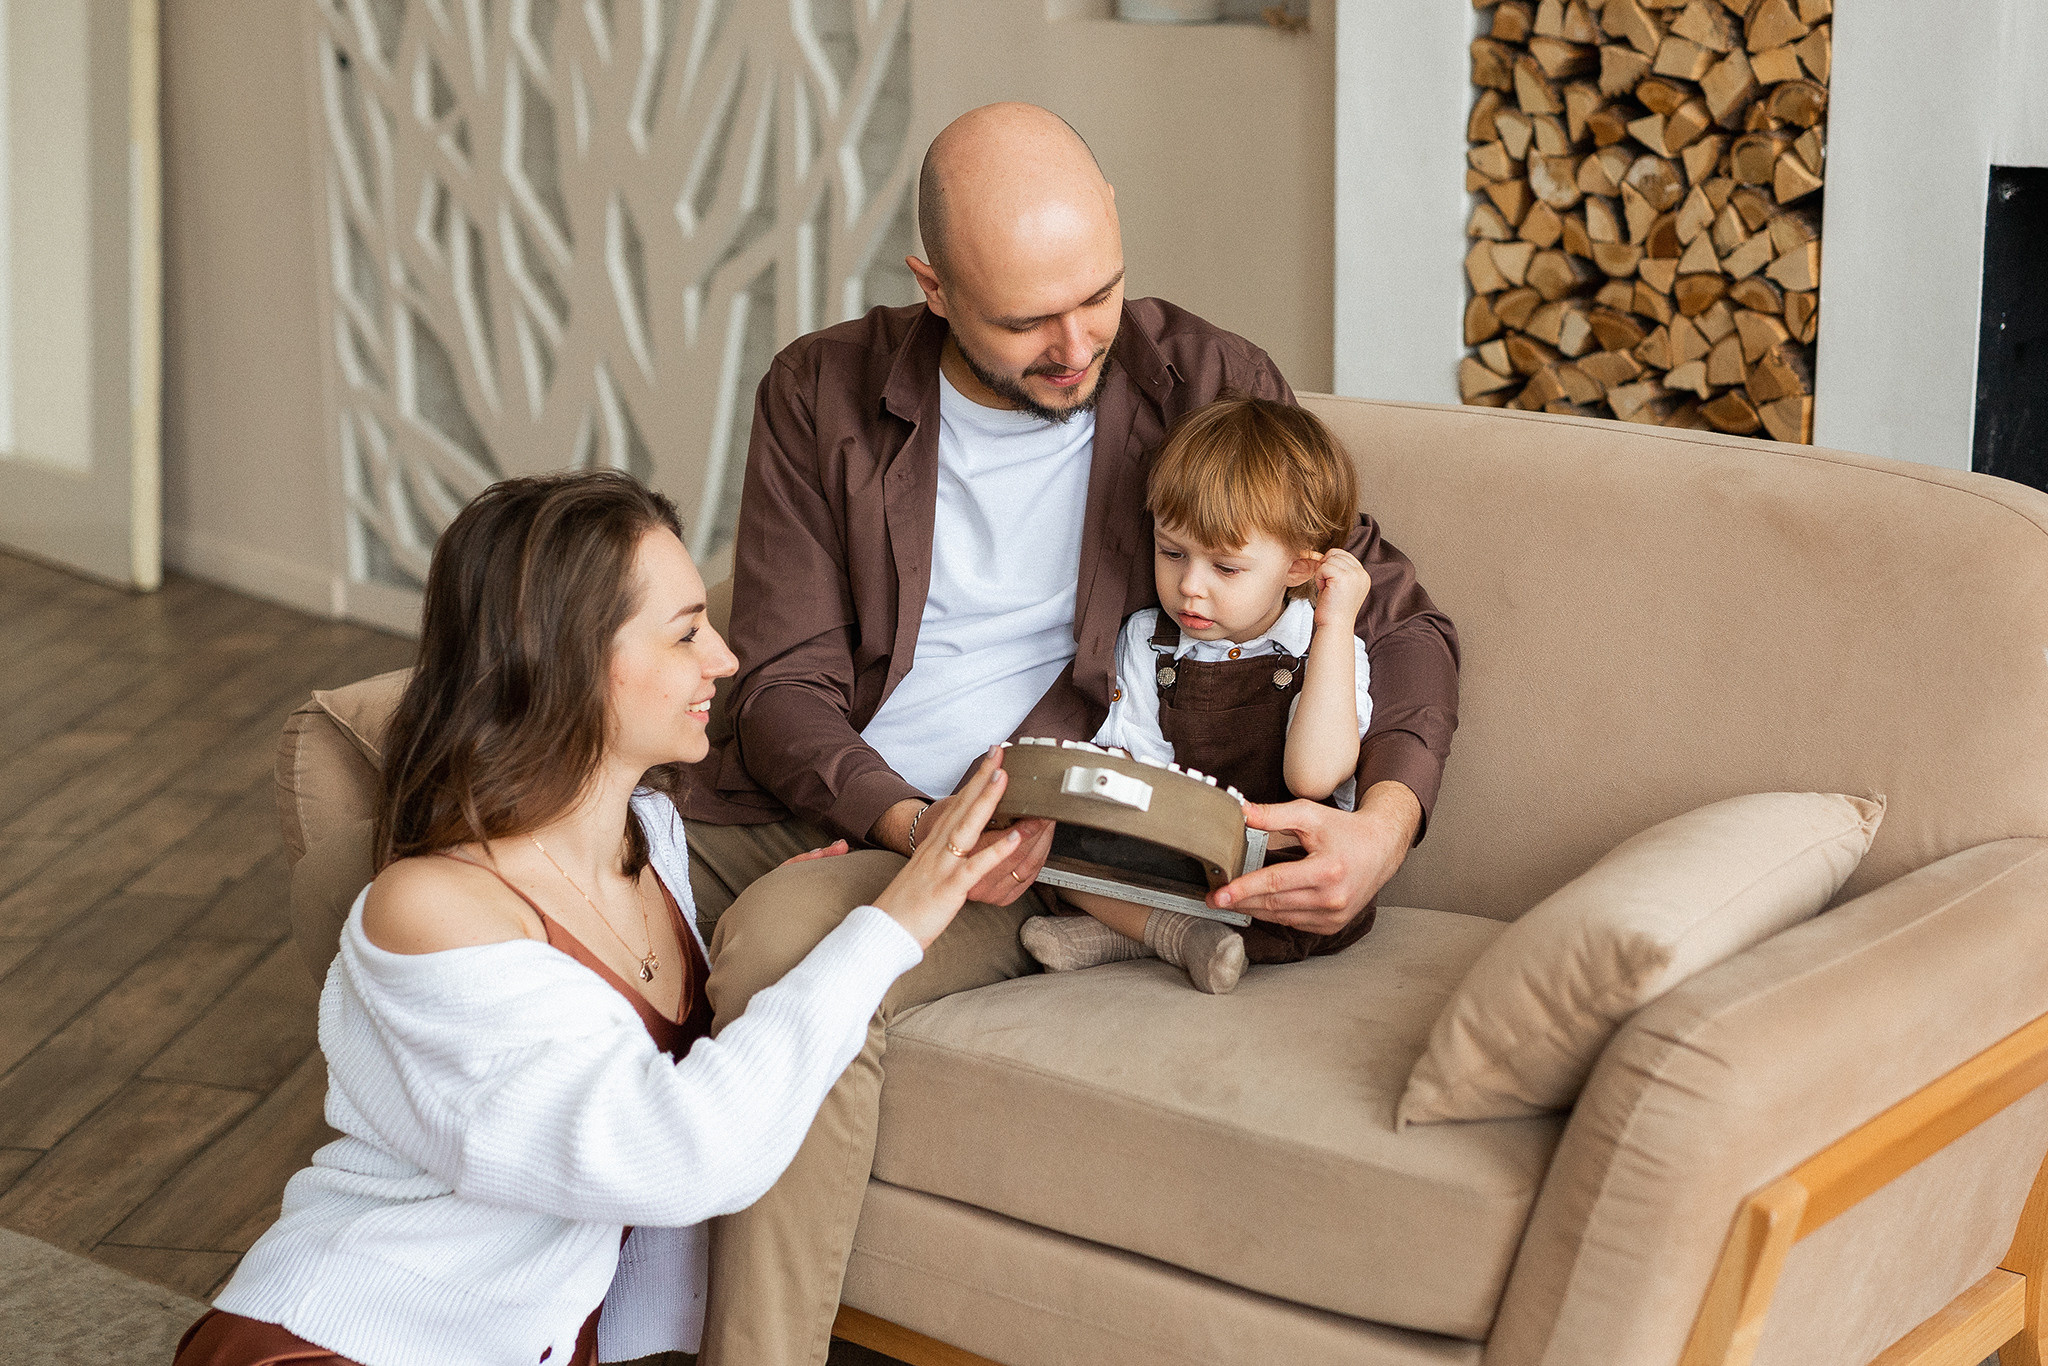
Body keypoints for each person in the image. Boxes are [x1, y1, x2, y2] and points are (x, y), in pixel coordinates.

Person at [671, 103, 1461, 1365]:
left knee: (779, 962)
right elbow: (779, 686)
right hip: (854, 795)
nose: (1076, 340)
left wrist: (1382, 828)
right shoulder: (818, 391)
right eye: (1028, 318)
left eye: (1098, 293)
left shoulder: (1204, 382)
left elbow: (1397, 615)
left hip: (1030, 831)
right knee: (481, 864)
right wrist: (900, 821)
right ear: (931, 287)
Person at [173, 471, 1023, 1366]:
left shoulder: (647, 842)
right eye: (688, 631)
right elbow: (676, 1154)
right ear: (568, 656)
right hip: (349, 1338)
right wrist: (891, 927)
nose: (725, 660)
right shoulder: (430, 907)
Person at [1020, 394, 1379, 994]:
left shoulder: (1328, 649)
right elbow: (1133, 757)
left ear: (1298, 569)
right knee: (1041, 843)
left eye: (1226, 568)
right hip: (1171, 851)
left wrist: (1335, 625)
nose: (1190, 587)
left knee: (1298, 900)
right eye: (1173, 552)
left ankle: (1138, 932)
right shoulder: (1148, 640)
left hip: (1272, 869)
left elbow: (1315, 779)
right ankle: (1174, 933)